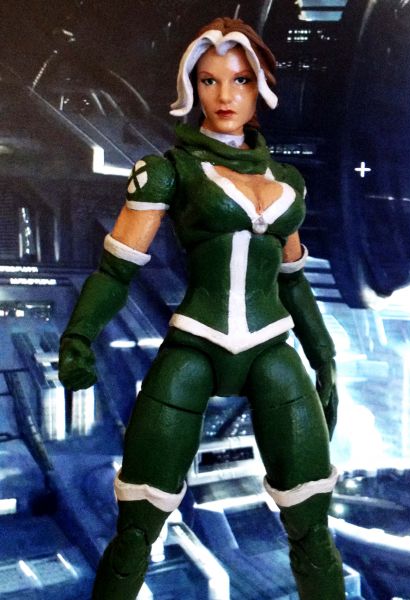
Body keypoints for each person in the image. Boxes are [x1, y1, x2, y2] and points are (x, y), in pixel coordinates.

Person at [58, 17, 345, 600]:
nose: (224, 96)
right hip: (195, 344)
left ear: (260, 86)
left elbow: (293, 281)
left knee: (313, 528)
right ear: (193, 87)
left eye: (240, 80)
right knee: (137, 529)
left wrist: (325, 358)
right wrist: (78, 337)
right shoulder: (168, 171)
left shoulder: (287, 180)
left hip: (271, 349)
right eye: (209, 80)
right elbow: (117, 269)